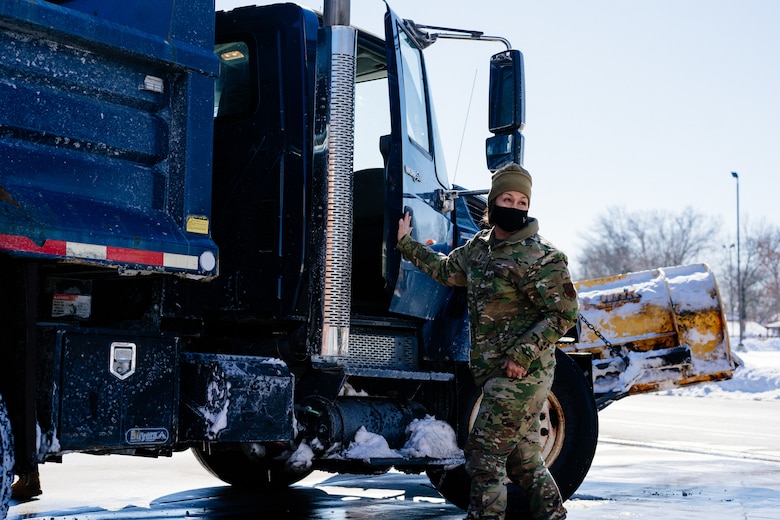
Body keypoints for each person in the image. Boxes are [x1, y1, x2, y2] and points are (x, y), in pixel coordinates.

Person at [396, 162, 578, 520]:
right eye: (507, 198)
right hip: (491, 370)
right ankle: (553, 516)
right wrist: (407, 245)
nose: (515, 206)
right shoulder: (480, 247)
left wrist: (521, 355)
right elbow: (448, 271)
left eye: (522, 201)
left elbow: (564, 314)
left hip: (523, 375)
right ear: (493, 203)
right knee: (524, 458)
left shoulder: (542, 256)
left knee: (483, 454)